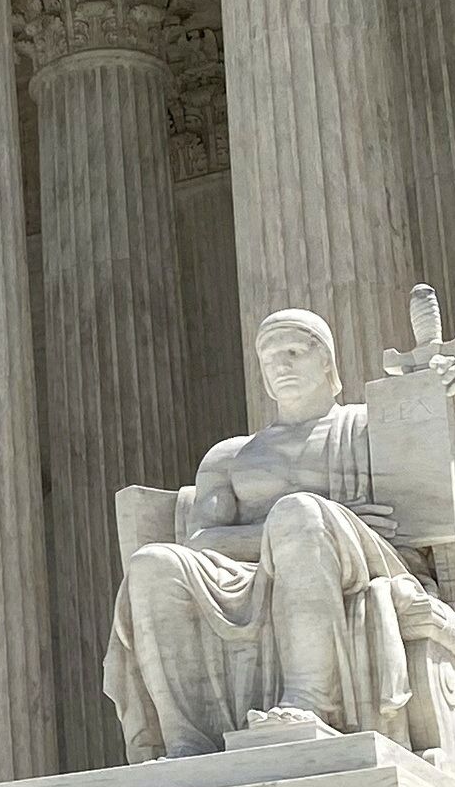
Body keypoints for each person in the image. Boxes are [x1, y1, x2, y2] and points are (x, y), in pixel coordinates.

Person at [102, 310, 415, 758]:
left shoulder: (369, 429)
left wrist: (450, 405)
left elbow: (438, 495)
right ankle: (188, 737)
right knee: (152, 563)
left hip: (357, 559)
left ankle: (309, 701)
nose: (281, 365)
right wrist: (282, 533)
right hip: (251, 571)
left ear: (327, 361)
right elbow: (201, 542)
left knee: (299, 513)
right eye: (270, 359)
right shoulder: (231, 456)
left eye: (293, 352)